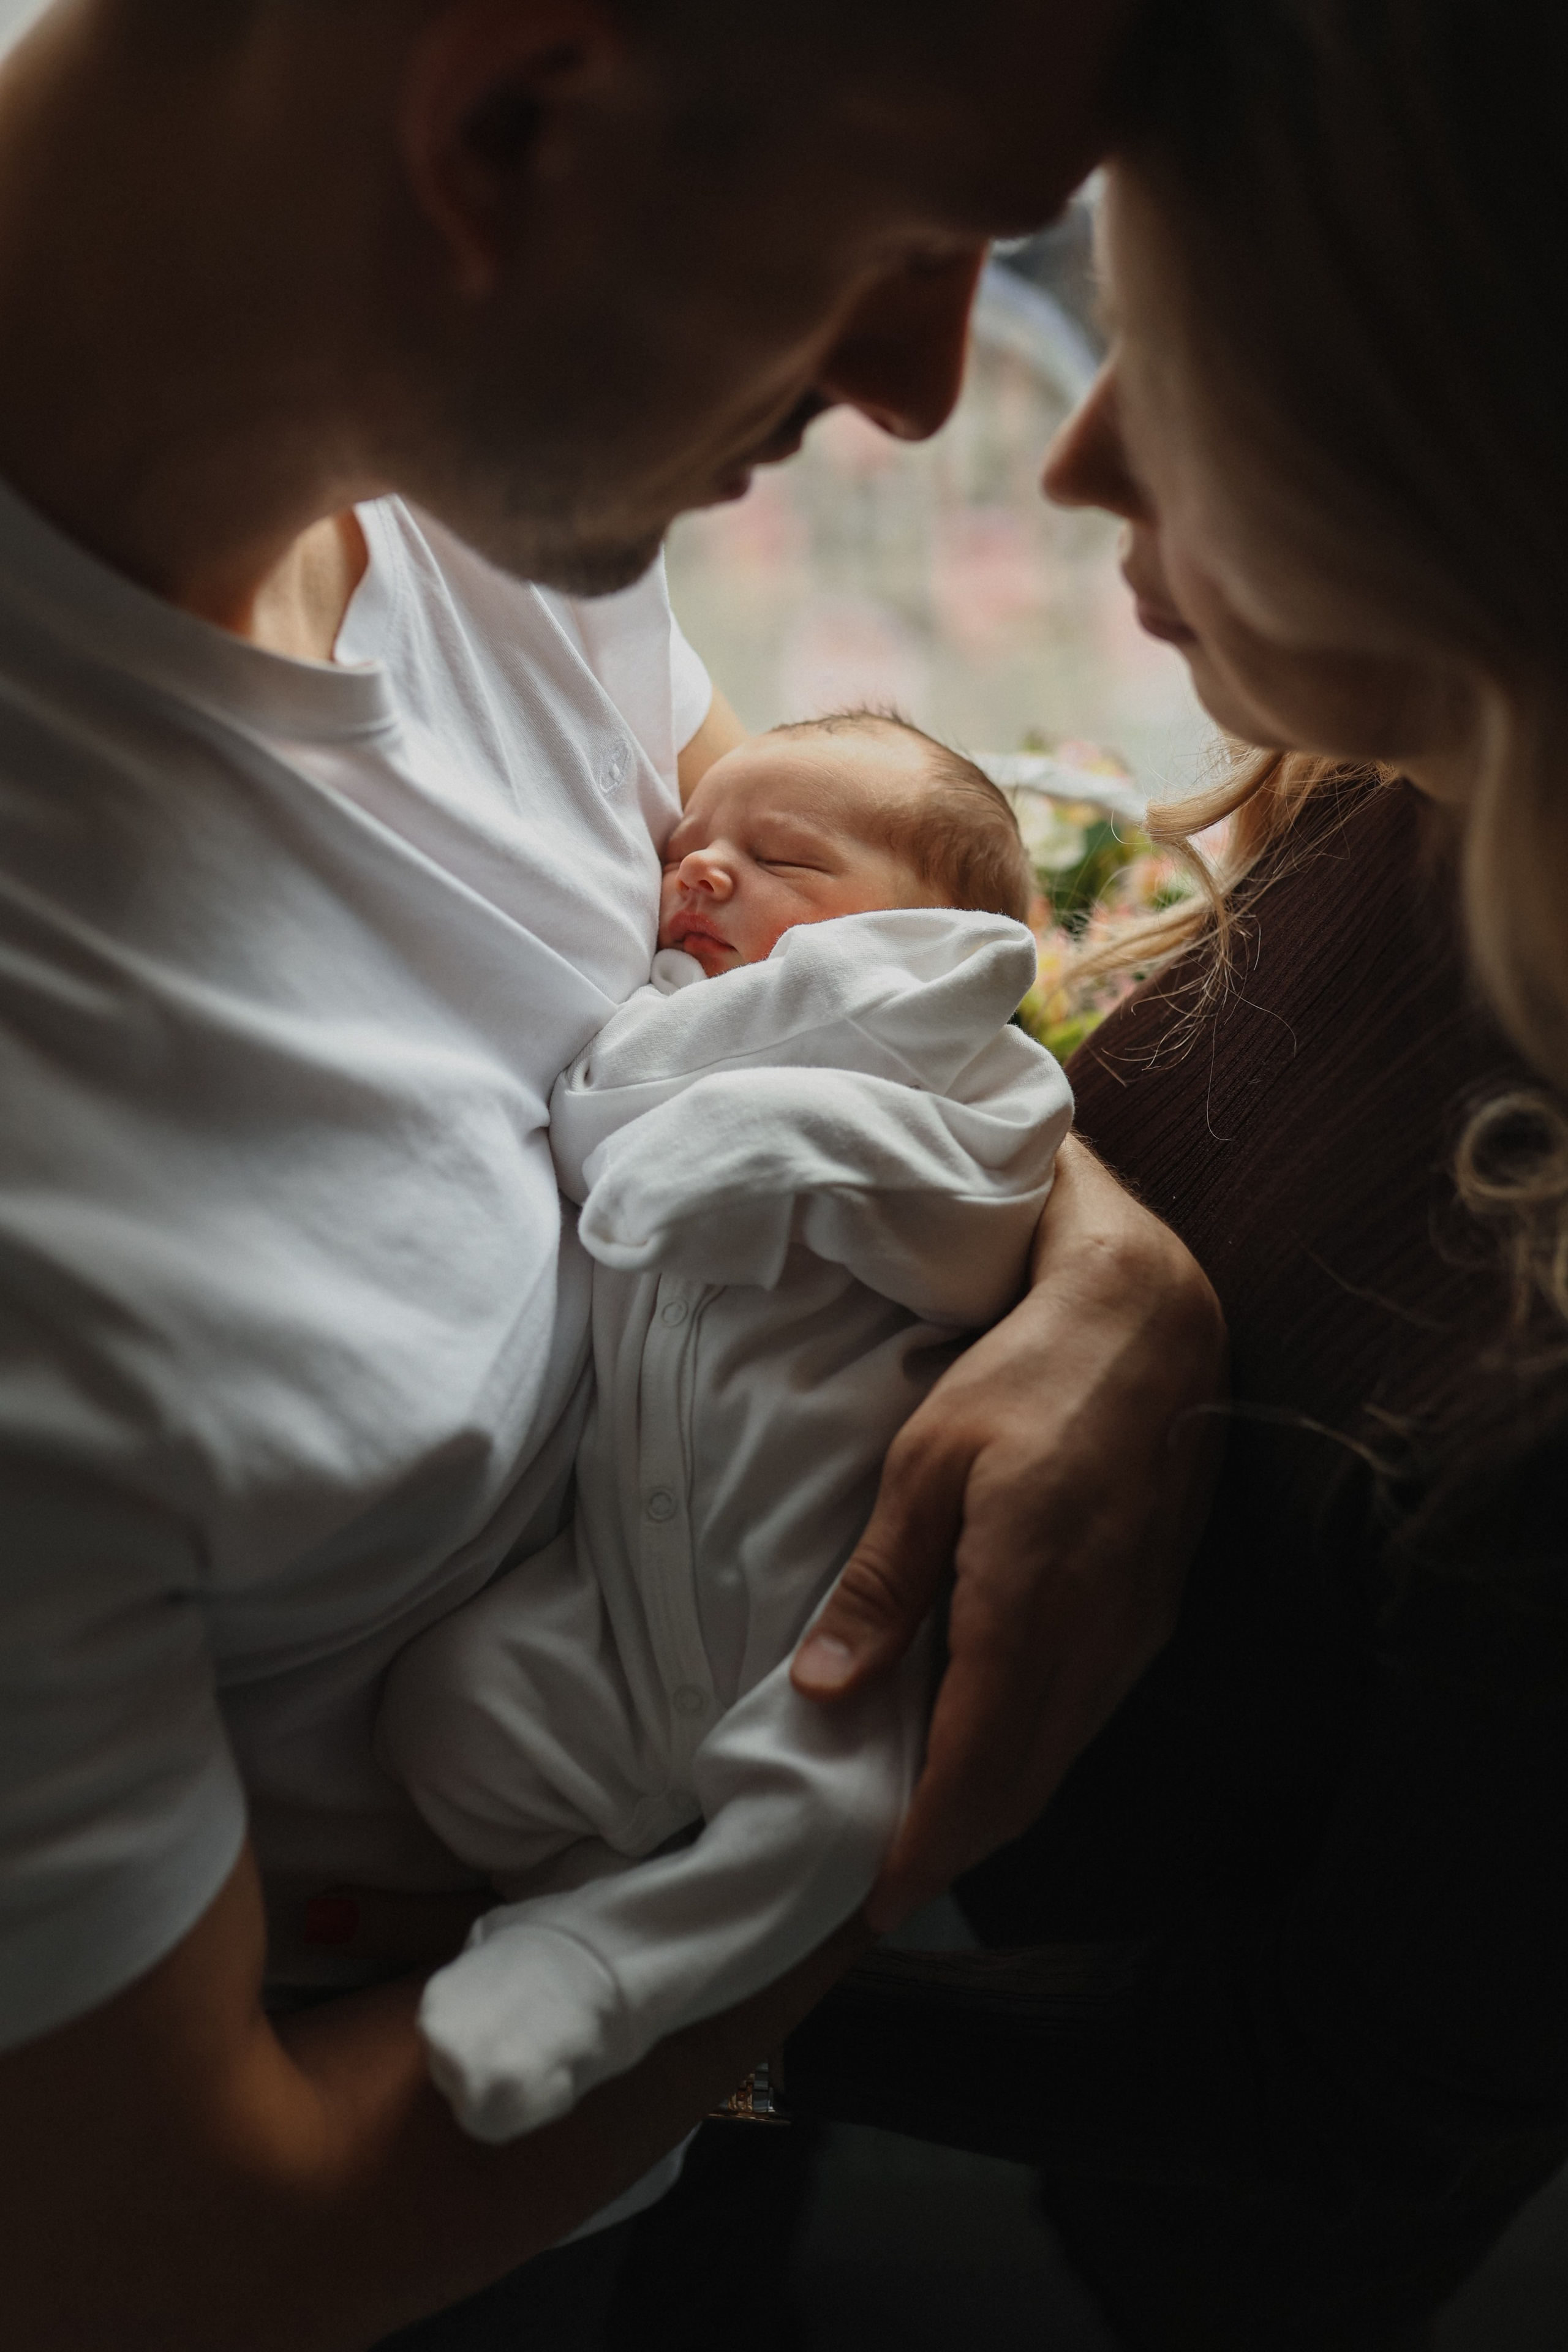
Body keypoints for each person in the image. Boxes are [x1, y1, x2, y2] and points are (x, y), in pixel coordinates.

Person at [0, 5, 1226, 2346]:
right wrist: (859, 1813)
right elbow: (170, 2253)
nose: (928, 393)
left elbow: (800, 901)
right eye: (902, 241)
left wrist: (1115, 1278)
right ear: (509, 118)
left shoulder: (445, 469)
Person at [779, 3, 1568, 2347]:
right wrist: (1120, 1264)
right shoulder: (1417, 772)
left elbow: (1321, 2099)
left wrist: (669, 1995)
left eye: (1202, 373)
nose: (1081, 457)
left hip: (1143, 2174)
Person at [380, 717, 1072, 2147]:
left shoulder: (966, 1068)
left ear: (930, 927)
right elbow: (596, 1144)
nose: (698, 869)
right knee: (451, 1714)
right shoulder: (647, 1042)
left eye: (777, 858)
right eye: (690, 845)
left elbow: (976, 1238)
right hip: (612, 1605)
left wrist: (778, 1134)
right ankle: (592, 1888)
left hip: (813, 1584)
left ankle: (606, 1968)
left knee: (827, 1815)